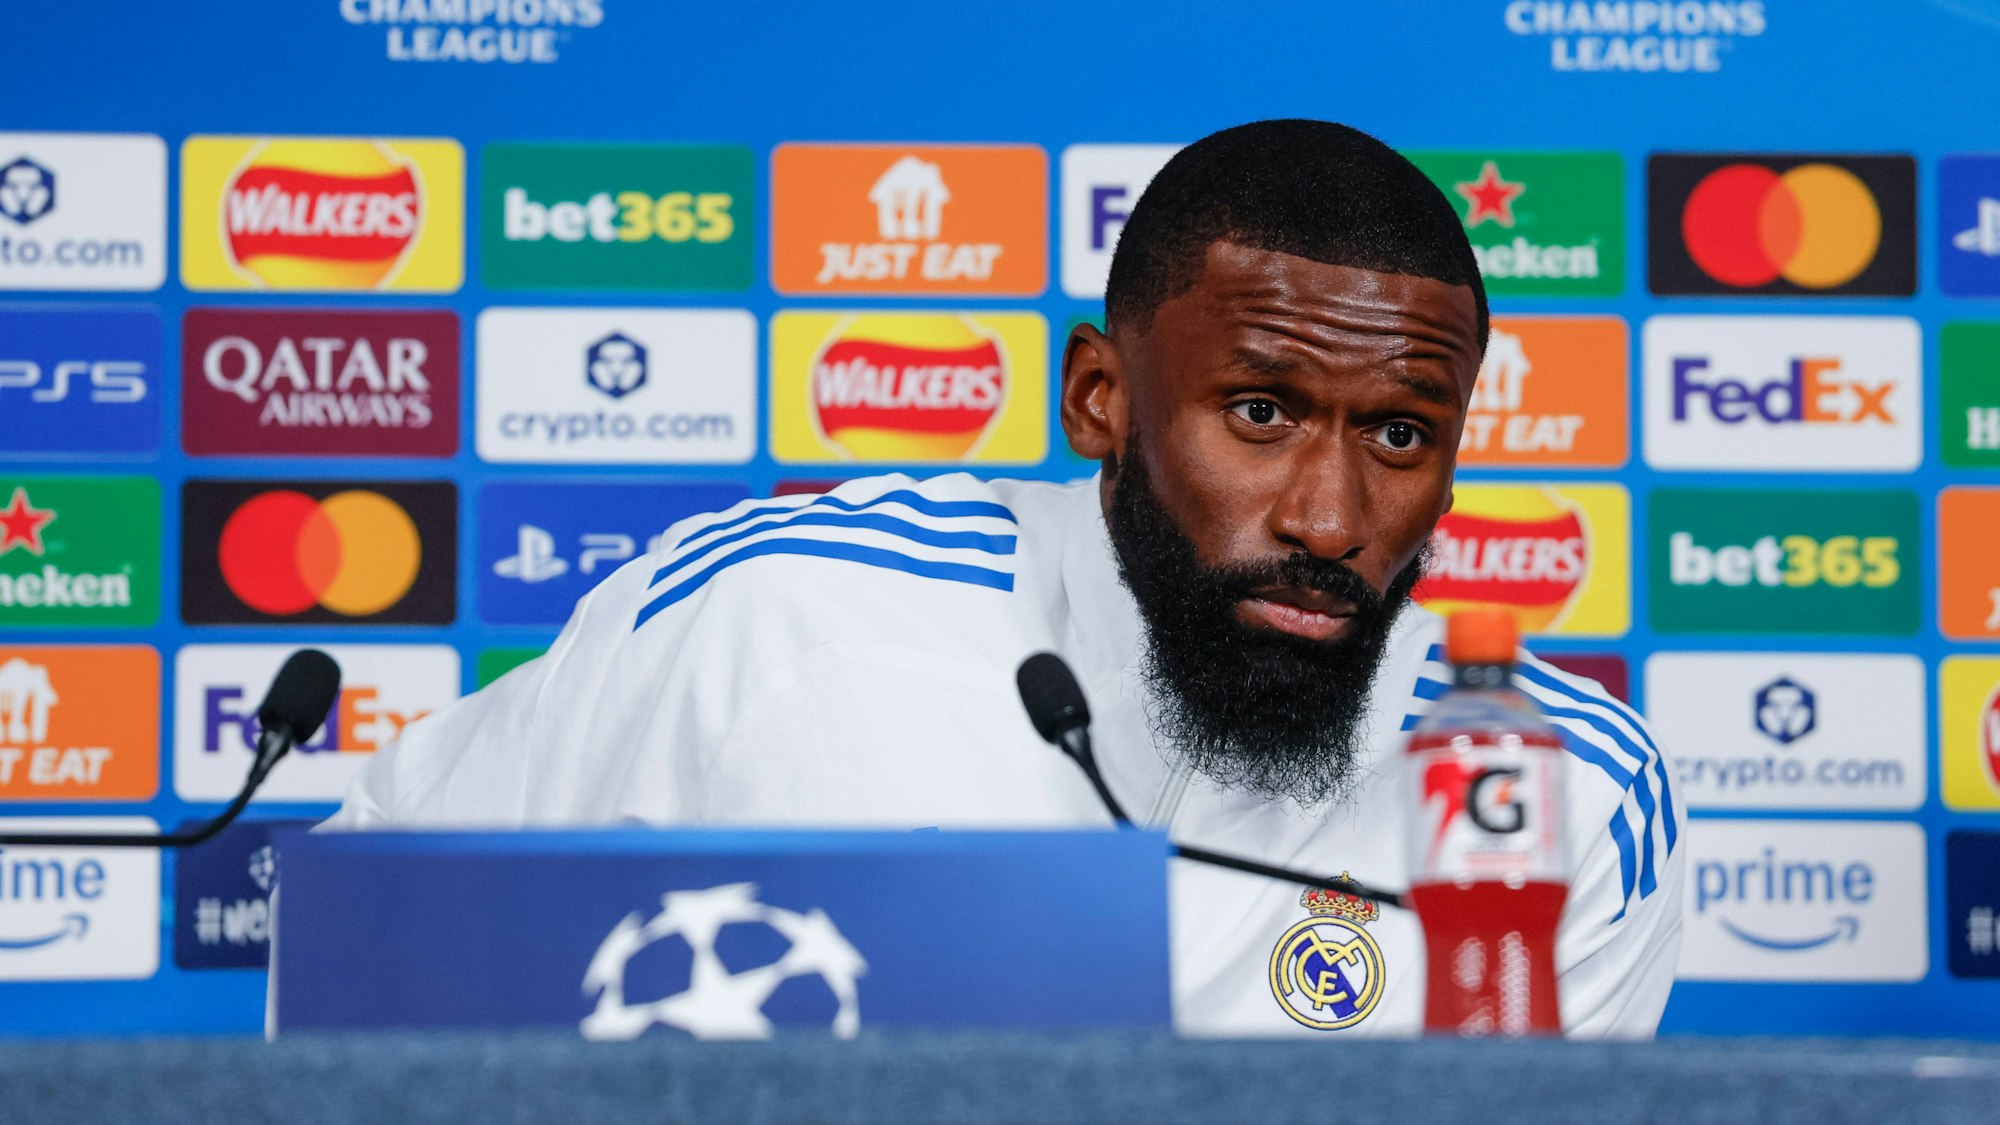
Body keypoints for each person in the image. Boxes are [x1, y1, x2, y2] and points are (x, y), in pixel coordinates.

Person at [325, 119, 1684, 1038]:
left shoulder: (1559, 789)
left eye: (1400, 433)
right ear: (1101, 396)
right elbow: (374, 959)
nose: (1331, 517)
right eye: (1260, 413)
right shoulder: (782, 618)